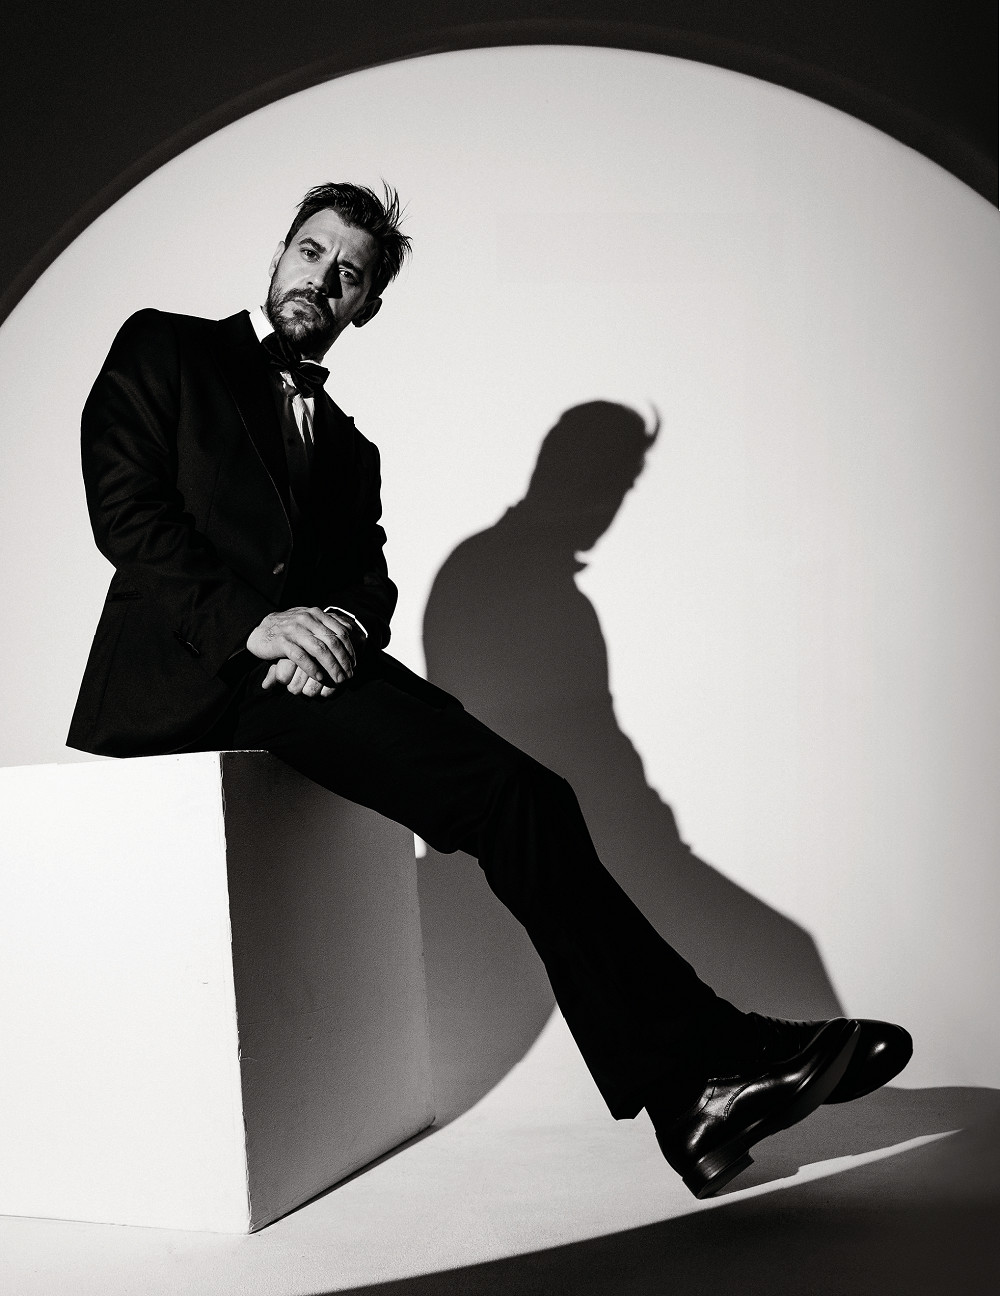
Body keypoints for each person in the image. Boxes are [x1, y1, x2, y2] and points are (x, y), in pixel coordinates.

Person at [68, 182, 911, 1199]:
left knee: (531, 797)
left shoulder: (350, 450)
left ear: (366, 307)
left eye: (350, 275)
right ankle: (705, 1074)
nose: (323, 280)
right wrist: (255, 625)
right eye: (312, 252)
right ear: (280, 253)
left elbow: (367, 587)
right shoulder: (167, 346)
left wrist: (337, 627)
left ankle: (697, 1086)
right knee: (519, 799)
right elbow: (127, 509)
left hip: (296, 683)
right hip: (186, 680)